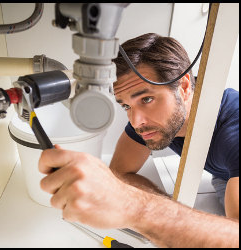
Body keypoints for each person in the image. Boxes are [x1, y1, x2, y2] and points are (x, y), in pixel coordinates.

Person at [38, 33, 239, 248]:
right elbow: (120, 172)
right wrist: (170, 210)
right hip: (224, 173)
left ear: (183, 86)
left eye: (147, 99)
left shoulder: (233, 132)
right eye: (126, 106)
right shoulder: (149, 122)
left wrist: (142, 209)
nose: (136, 121)